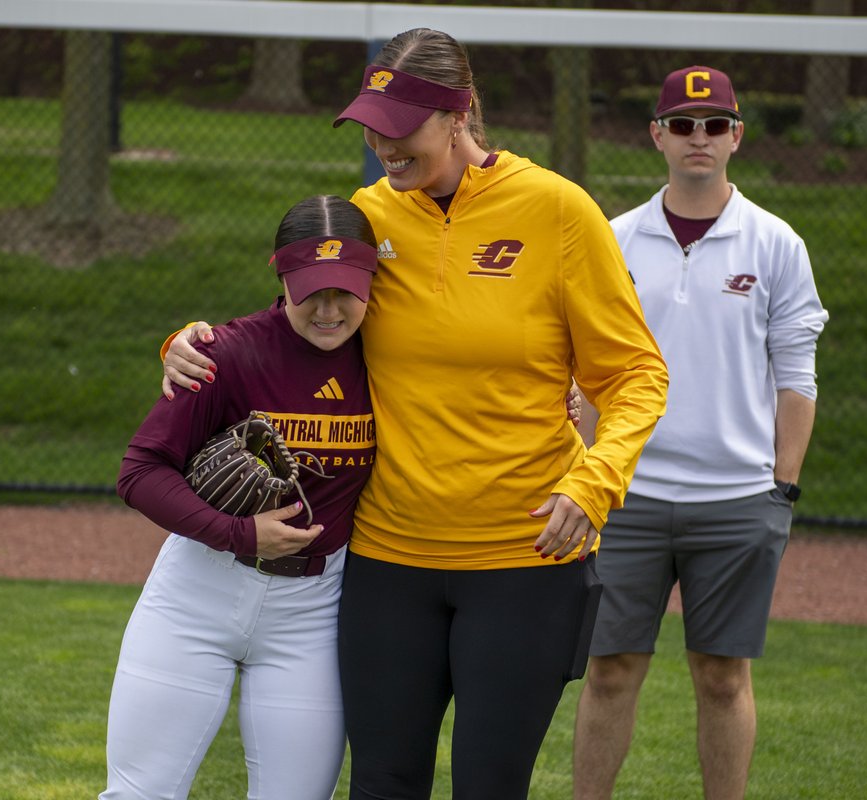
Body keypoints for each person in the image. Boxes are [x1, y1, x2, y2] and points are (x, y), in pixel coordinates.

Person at [159, 28, 669, 799]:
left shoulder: (559, 211)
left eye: (399, 129)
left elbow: (635, 372)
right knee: (384, 783)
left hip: (523, 560)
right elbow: (289, 337)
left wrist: (595, 481)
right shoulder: (367, 215)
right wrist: (185, 345)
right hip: (388, 563)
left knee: (487, 786)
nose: (381, 145)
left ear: (457, 115)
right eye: (370, 125)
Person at [571, 66, 829, 800]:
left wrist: (781, 488)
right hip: (628, 493)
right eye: (682, 124)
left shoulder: (777, 244)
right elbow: (591, 375)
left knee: (722, 676)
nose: (698, 138)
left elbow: (797, 375)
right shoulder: (613, 239)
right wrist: (587, 475)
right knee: (610, 670)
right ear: (656, 135)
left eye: (714, 124)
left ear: (737, 136)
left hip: (739, 499)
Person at [100, 195, 379, 800]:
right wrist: (238, 533)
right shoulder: (226, 353)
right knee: (138, 793)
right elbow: (141, 470)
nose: (329, 310)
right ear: (281, 277)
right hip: (198, 591)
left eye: (346, 290)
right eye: (311, 290)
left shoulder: (393, 358)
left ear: (371, 281)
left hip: (314, 610)